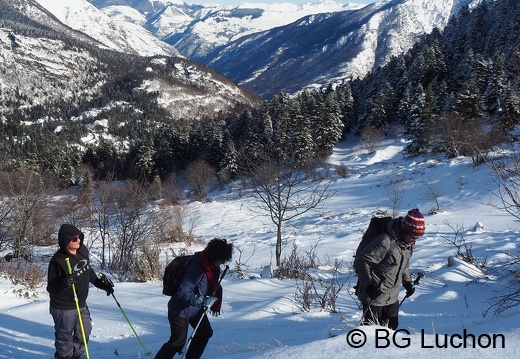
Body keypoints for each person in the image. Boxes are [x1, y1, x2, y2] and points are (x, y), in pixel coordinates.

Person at [154, 238, 233, 359]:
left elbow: (208, 285)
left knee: (205, 333)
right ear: (213, 255)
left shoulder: (211, 267)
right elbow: (183, 291)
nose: (222, 262)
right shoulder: (197, 268)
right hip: (180, 310)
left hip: (195, 309)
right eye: (221, 259)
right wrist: (201, 300)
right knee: (177, 343)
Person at [47, 224, 114, 359]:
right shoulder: (57, 260)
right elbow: (51, 288)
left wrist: (101, 285)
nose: (78, 241)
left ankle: (77, 356)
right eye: (74, 239)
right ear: (65, 241)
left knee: (84, 332)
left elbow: (88, 272)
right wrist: (64, 283)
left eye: (79, 237)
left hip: (81, 303)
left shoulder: (82, 250)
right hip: (63, 307)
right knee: (64, 339)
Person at [353, 208, 425, 330]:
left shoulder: (407, 244)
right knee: (373, 332)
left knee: (391, 329)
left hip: (392, 297)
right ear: (405, 230)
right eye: (413, 237)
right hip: (374, 297)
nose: (415, 241)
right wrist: (369, 285)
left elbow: (404, 264)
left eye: (418, 237)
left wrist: (407, 282)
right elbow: (360, 262)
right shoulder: (385, 241)